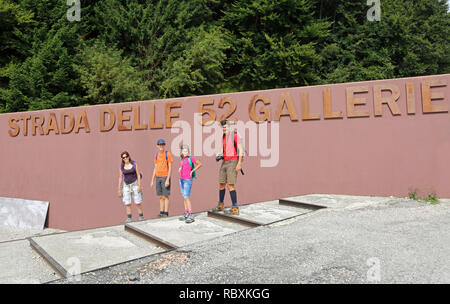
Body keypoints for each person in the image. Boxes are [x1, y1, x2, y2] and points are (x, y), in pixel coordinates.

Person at [214, 120, 243, 215]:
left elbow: (241, 150)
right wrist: (219, 153)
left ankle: (235, 208)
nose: (224, 128)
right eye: (223, 127)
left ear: (229, 127)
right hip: (225, 161)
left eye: (225, 127)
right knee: (221, 183)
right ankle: (221, 205)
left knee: (230, 185)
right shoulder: (224, 136)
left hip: (233, 161)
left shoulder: (234, 135)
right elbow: (223, 148)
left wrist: (239, 164)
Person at [178, 144, 202, 223]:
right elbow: (183, 166)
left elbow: (200, 164)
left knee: (186, 196)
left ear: (188, 152)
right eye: (184, 151)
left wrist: (192, 171)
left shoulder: (190, 158)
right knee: (184, 197)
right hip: (181, 179)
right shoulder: (181, 159)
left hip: (188, 179)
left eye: (187, 151)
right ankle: (186, 213)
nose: (185, 152)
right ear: (181, 152)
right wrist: (180, 168)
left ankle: (191, 214)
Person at [117, 151, 144, 222]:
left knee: (138, 202)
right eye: (123, 157)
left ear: (129, 156)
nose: (125, 158)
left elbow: (138, 175)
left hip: (135, 184)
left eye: (126, 156)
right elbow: (120, 177)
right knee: (127, 202)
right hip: (126, 185)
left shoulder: (134, 164)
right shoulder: (122, 167)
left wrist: (139, 186)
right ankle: (129, 218)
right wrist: (119, 189)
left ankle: (141, 217)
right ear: (122, 159)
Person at [151, 139, 173, 217]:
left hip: (165, 176)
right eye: (160, 145)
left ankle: (166, 213)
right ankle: (161, 212)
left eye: (162, 145)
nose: (161, 146)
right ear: (157, 146)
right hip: (158, 177)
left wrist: (167, 179)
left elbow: (170, 167)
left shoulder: (168, 154)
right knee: (160, 196)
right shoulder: (156, 155)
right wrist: (152, 180)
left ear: (164, 145)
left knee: (165, 196)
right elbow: (155, 167)